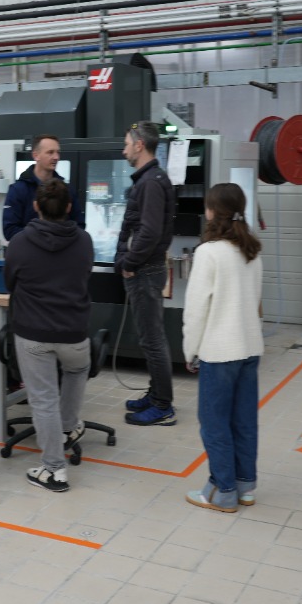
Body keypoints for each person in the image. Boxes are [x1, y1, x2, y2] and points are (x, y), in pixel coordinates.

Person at [3, 178, 94, 492]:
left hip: (33, 334)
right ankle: (68, 428)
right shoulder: (84, 241)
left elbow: (10, 283)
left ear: (36, 206)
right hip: (74, 333)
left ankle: (54, 470)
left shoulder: (19, 243)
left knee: (43, 400)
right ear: (69, 207)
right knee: (77, 370)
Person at [182, 183, 264, 513]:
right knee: (243, 421)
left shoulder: (208, 252)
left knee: (214, 422)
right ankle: (245, 487)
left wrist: (190, 350)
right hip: (249, 347)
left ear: (213, 211)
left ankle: (222, 490)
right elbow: (255, 302)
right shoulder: (252, 252)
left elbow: (197, 308)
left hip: (219, 351)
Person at [115, 121, 177, 426]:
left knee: (152, 340)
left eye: (127, 143)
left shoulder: (151, 182)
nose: (123, 148)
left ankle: (163, 406)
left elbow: (149, 231)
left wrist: (129, 263)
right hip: (148, 268)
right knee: (151, 337)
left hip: (144, 270)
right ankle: (155, 395)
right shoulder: (151, 179)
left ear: (140, 145)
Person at [3, 133, 84, 241]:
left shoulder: (67, 190)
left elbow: (80, 226)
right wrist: (45, 240)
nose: (56, 157)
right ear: (36, 155)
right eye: (50, 152)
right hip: (30, 255)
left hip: (61, 253)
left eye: (57, 152)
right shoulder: (18, 190)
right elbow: (10, 230)